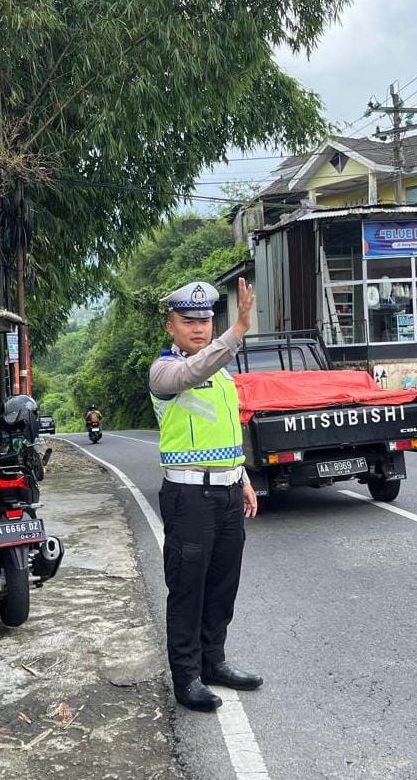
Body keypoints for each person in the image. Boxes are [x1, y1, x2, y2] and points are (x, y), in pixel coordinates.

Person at [148, 277, 261, 712]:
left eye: (206, 319)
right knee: (187, 588)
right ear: (170, 327)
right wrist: (238, 331)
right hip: (188, 498)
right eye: (187, 320)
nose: (199, 327)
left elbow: (228, 431)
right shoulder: (164, 371)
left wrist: (244, 479)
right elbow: (194, 370)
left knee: (221, 586)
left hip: (229, 493)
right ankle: (187, 676)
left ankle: (214, 661)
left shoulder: (225, 377)